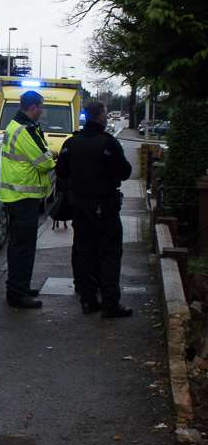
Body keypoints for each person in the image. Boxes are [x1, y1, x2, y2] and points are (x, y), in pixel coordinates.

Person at [56, 101, 133, 318]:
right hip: (105, 205)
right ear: (100, 117)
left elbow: (61, 171)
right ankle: (110, 303)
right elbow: (125, 171)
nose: (106, 118)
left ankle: (88, 300)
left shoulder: (71, 142)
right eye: (106, 114)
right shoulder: (109, 143)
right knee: (109, 253)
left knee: (83, 252)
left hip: (80, 206)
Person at [0, 90, 55, 309]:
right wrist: (51, 157)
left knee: (18, 246)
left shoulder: (17, 126)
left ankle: (19, 287)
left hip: (17, 197)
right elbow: (45, 162)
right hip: (24, 198)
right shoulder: (24, 131)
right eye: (41, 107)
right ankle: (17, 293)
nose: (43, 111)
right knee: (23, 248)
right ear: (33, 108)